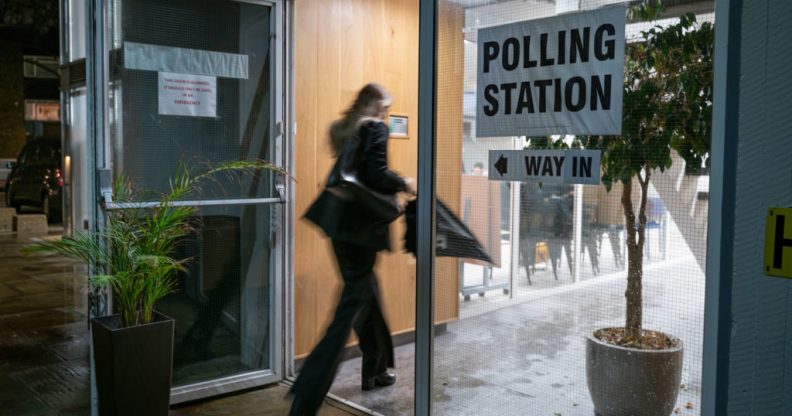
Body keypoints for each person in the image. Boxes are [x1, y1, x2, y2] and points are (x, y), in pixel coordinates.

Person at [290, 83, 414, 416]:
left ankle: (375, 370)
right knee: (349, 309)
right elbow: (377, 174)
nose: (387, 113)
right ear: (376, 105)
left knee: (366, 292)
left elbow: (352, 173)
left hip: (338, 226)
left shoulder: (342, 128)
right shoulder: (374, 127)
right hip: (361, 230)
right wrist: (405, 183)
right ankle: (307, 394)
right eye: (386, 106)